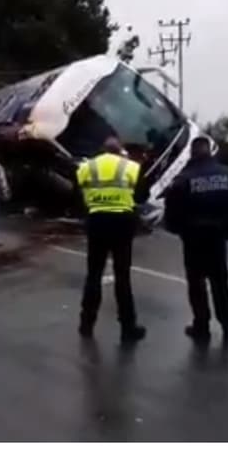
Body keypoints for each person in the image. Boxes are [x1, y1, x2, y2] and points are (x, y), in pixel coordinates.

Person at [164, 136, 228, 343]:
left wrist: (179, 231)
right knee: (220, 284)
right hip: (218, 238)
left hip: (193, 240)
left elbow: (171, 212)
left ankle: (201, 325)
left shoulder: (183, 179)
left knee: (196, 285)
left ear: (192, 154)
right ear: (210, 152)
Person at [76, 136, 147, 343]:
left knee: (93, 275)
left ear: (102, 150)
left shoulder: (87, 167)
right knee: (122, 277)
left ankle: (86, 323)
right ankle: (128, 327)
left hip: (97, 220)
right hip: (122, 222)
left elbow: (77, 195)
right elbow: (142, 196)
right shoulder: (131, 167)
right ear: (119, 150)